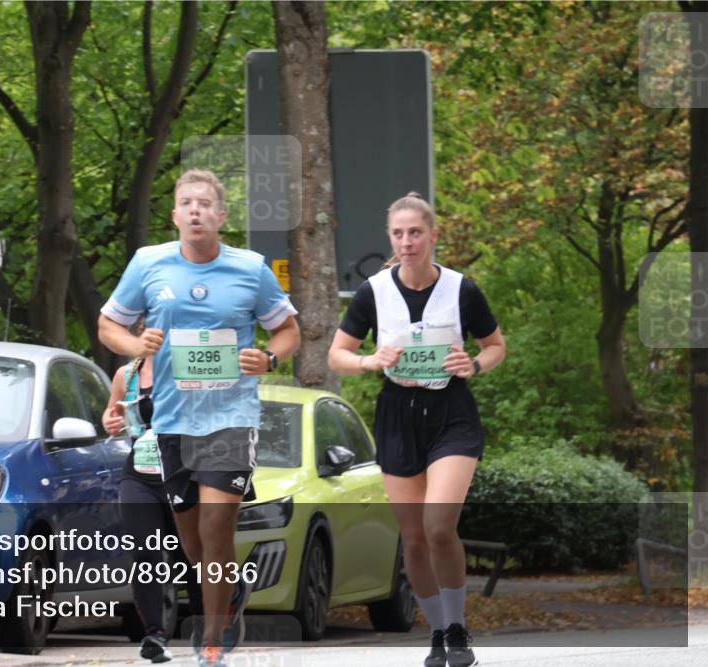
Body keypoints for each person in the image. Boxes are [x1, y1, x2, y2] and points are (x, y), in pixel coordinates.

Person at [98, 169, 300, 667]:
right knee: (192, 543)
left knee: (215, 527)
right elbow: (108, 326)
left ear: (220, 216)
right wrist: (135, 345)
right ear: (174, 215)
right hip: (172, 420)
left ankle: (212, 642)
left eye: (205, 204)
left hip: (231, 417)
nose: (195, 211)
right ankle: (227, 594)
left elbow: (288, 331)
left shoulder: (251, 269)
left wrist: (269, 358)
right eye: (186, 203)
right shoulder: (149, 264)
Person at [327, 192, 505, 667]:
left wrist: (475, 364)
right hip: (397, 413)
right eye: (398, 234)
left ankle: (459, 627)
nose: (407, 242)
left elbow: (494, 346)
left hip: (451, 413)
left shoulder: (462, 290)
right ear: (391, 238)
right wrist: (370, 360)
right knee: (413, 539)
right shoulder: (373, 292)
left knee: (438, 525)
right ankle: (438, 632)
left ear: (433, 235)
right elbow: (336, 356)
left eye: (415, 233)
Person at [102, 354, 203, 664]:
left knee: (189, 556)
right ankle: (154, 635)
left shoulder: (193, 368)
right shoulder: (127, 375)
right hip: (139, 477)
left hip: (183, 474)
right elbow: (110, 416)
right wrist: (111, 421)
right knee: (146, 552)